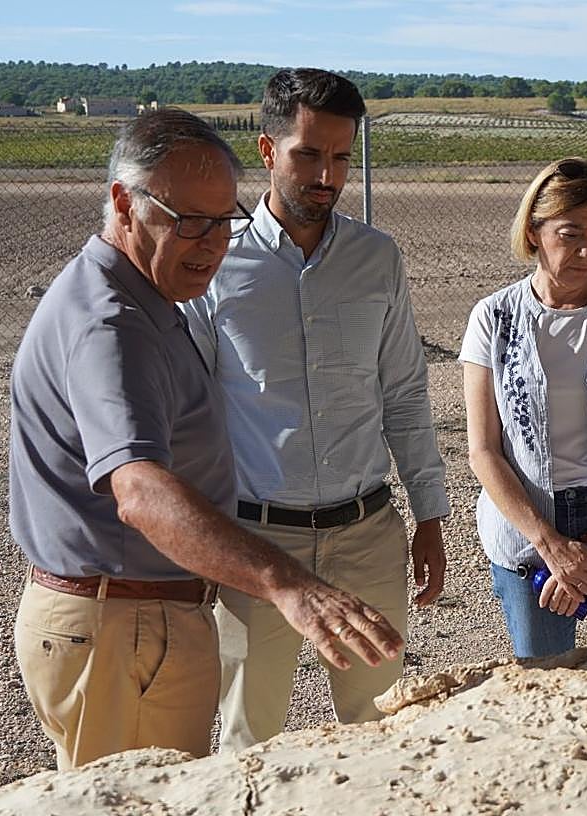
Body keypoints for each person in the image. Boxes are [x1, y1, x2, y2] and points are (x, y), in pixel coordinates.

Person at [9, 109, 401, 770]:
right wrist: (284, 581)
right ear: (122, 204)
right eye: (187, 220)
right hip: (120, 629)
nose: (210, 243)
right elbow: (137, 489)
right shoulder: (113, 326)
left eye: (224, 221)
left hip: (139, 623)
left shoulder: (146, 299)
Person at [182, 68, 449, 752]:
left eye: (339, 156)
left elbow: (404, 392)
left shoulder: (378, 259)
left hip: (367, 536)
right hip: (257, 548)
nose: (326, 175)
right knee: (249, 737)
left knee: (383, 728)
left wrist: (431, 514)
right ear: (268, 151)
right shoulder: (217, 266)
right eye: (308, 154)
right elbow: (190, 412)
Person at [459, 158, 587, 659]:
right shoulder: (492, 318)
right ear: (533, 231)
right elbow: (483, 450)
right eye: (571, 233)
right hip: (527, 541)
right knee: (543, 694)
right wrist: (550, 545)